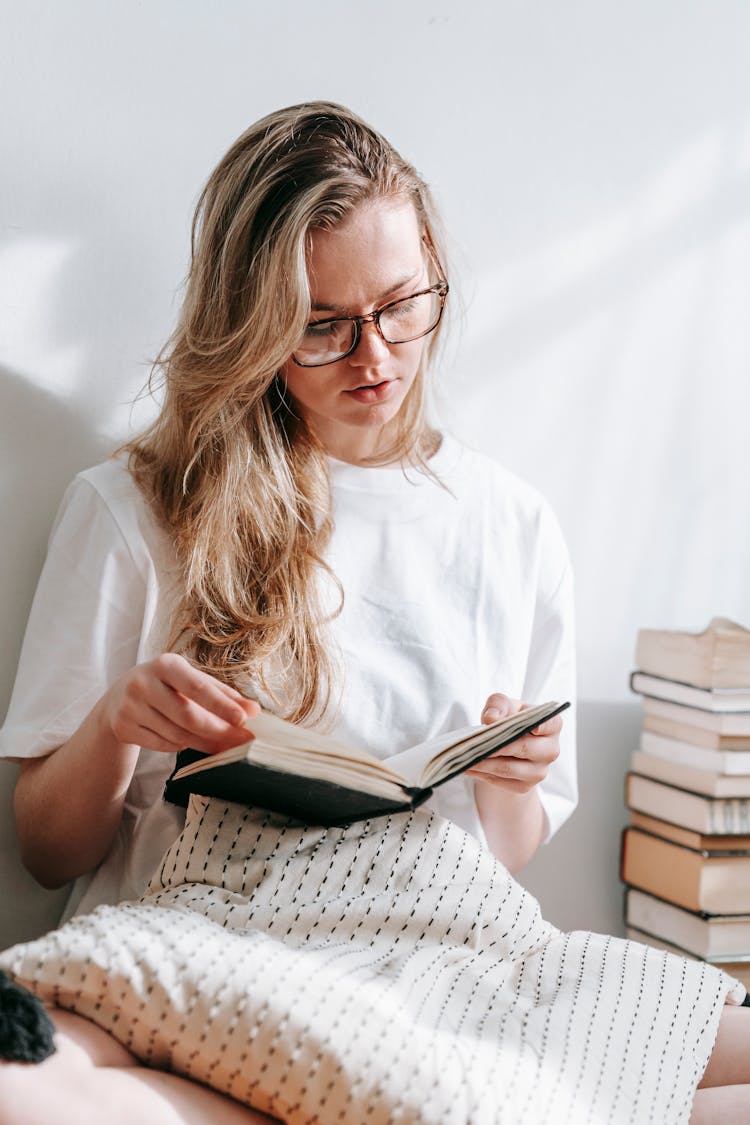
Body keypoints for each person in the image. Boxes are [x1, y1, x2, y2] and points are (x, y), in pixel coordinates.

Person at [0, 102, 748, 1125]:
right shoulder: (134, 511)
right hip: (218, 953)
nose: (377, 356)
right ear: (253, 325)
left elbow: (506, 853)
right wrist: (117, 727)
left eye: (403, 305)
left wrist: (508, 779)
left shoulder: (508, 522)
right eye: (322, 326)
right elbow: (45, 853)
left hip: (445, 957)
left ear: (435, 272)